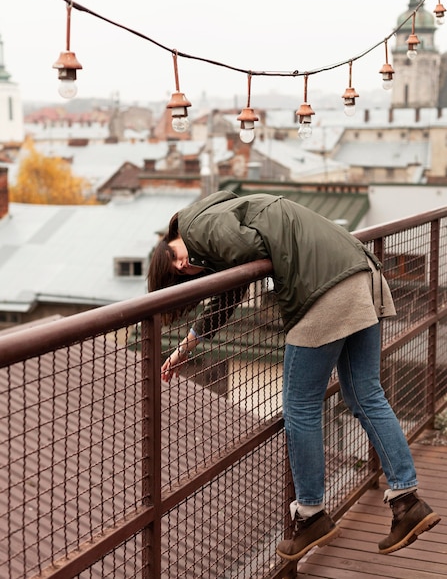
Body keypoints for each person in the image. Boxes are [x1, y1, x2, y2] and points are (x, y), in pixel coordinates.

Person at [147, 190, 441, 561]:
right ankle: (407, 501)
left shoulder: (195, 225)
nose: (186, 264)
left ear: (169, 243)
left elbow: (247, 250)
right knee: (365, 393)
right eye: (183, 273)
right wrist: (186, 346)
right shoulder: (220, 212)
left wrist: (218, 270)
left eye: (176, 259)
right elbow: (234, 286)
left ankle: (311, 515)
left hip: (323, 290)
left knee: (299, 407)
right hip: (359, 272)